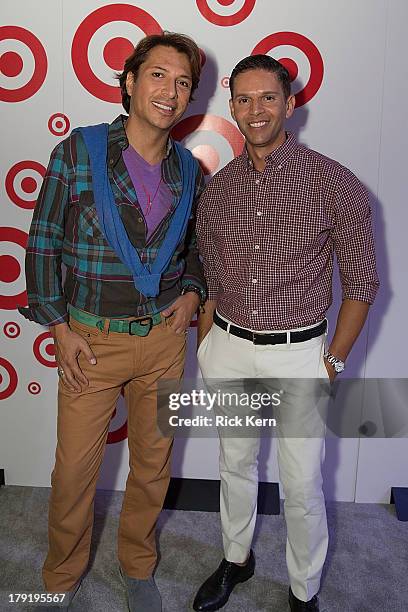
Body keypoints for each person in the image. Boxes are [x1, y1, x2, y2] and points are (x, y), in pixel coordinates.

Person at [18, 32, 206, 612]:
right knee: (74, 473)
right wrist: (58, 326)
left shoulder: (190, 168)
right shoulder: (80, 151)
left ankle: (138, 565)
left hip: (164, 344)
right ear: (129, 82)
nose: (170, 92)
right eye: (158, 76)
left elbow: (198, 247)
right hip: (90, 340)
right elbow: (44, 239)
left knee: (153, 467)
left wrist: (195, 292)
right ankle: (58, 579)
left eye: (182, 83)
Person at [193, 55, 379, 612]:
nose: (256, 110)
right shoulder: (218, 187)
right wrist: (206, 345)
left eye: (267, 98)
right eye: (244, 100)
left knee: (301, 487)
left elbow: (363, 283)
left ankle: (304, 592)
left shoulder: (334, 181)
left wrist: (334, 363)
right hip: (227, 348)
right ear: (232, 108)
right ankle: (236, 559)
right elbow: (209, 275)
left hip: (300, 355)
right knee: (234, 464)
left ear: (289, 104)